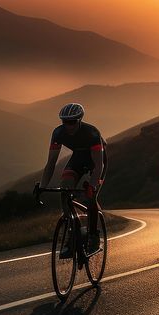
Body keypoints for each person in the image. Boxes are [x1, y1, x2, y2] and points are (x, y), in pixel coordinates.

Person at [39, 103, 107, 256]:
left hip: (95, 160)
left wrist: (92, 185)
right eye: (65, 122)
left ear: (79, 120)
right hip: (78, 157)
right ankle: (72, 234)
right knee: (65, 189)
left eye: (72, 122)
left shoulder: (92, 133)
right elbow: (51, 164)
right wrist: (43, 187)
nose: (68, 126)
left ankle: (94, 237)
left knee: (91, 196)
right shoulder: (58, 133)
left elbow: (98, 165)